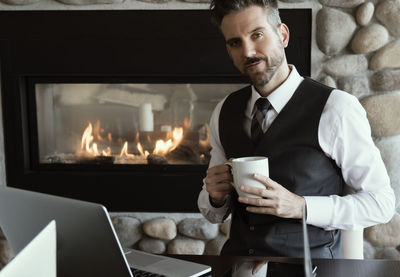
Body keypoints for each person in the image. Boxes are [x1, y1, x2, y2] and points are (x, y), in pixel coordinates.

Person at [197, 0, 395, 258]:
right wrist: (214, 197)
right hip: (238, 265)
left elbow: (382, 203)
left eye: (257, 35)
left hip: (309, 268)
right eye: (235, 42)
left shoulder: (336, 109)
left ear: (283, 34)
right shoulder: (224, 110)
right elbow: (213, 213)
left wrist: (302, 206)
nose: (248, 52)